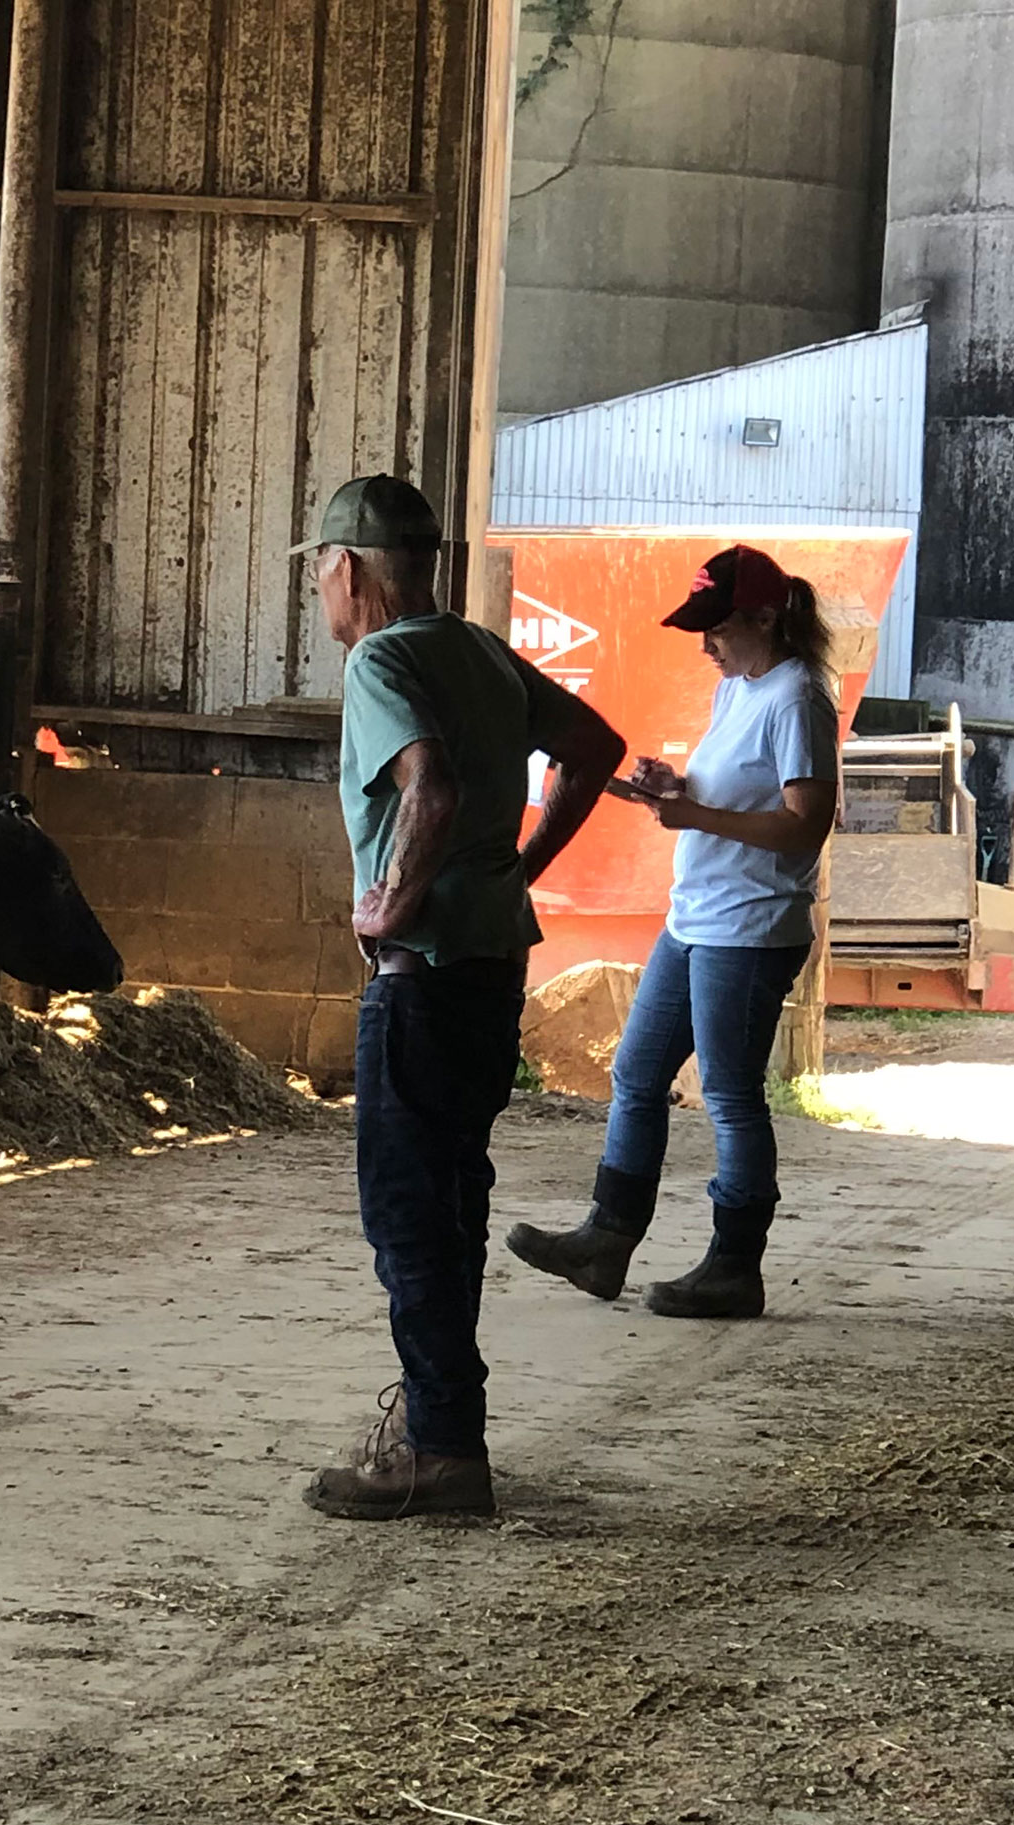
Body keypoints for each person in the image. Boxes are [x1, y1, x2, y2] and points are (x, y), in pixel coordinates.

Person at [295, 474, 626, 1521]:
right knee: (454, 1204)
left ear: (346, 569)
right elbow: (595, 749)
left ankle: (440, 1451)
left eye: (319, 576)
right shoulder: (482, 651)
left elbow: (426, 785)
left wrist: (394, 902)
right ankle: (447, 1429)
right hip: (492, 969)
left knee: (405, 1215)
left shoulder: (381, 660)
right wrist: (519, 867)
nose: (320, 596)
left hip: (422, 977)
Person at [507, 542, 839, 1321]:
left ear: (764, 617)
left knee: (728, 1093)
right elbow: (737, 796)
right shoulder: (740, 689)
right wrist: (677, 789)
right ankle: (606, 1238)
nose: (705, 644)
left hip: (751, 927)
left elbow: (806, 825)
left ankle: (734, 1265)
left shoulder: (797, 699)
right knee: (636, 1073)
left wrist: (693, 816)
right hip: (698, 915)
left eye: (717, 628)